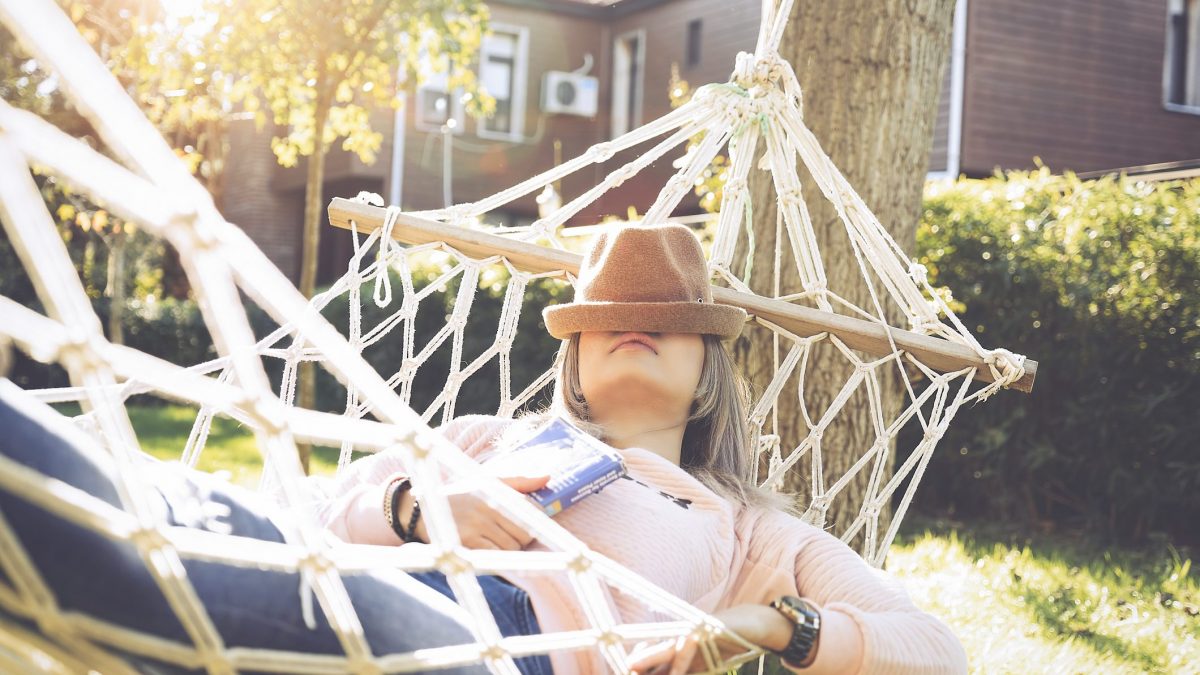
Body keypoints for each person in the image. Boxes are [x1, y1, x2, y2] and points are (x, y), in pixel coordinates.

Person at [315, 224, 969, 674]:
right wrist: (409, 507)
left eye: (664, 318)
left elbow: (938, 652)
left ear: (707, 365)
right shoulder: (483, 436)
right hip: (369, 593)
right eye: (607, 314)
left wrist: (776, 626)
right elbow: (298, 516)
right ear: (574, 357)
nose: (633, 324)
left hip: (511, 648)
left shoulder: (750, 530)